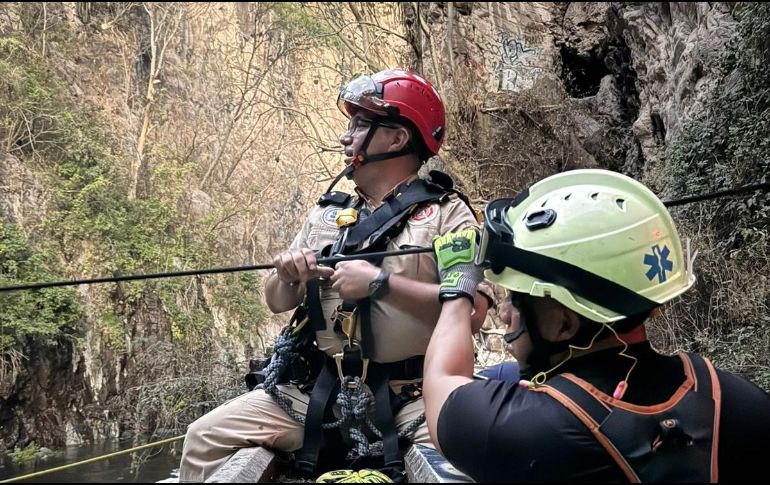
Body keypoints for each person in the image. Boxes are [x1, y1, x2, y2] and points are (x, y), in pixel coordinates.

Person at [178, 69, 491, 482]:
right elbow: (275, 301)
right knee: (204, 437)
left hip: (414, 397)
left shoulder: (448, 214)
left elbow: (476, 311)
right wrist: (289, 276)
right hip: (318, 393)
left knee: (463, 463)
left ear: (397, 139)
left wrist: (382, 285)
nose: (346, 136)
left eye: (361, 125)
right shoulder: (327, 214)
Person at [424, 169, 770, 482]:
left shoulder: (524, 430)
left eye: (516, 298)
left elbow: (442, 382)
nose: (504, 314)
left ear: (564, 324)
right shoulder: (735, 400)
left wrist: (458, 285)